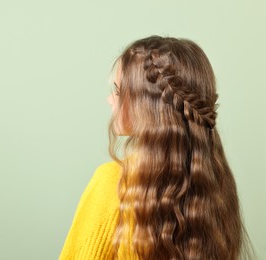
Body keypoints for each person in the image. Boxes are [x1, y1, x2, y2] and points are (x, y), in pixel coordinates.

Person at [59, 36, 254, 259]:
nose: (110, 99)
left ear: (146, 105)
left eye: (118, 90)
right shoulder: (216, 187)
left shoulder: (112, 182)